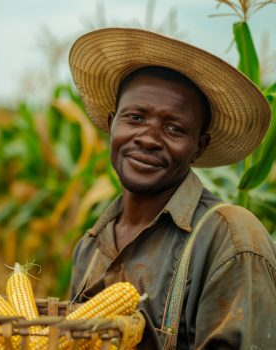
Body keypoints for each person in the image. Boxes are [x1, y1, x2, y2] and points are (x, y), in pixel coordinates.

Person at [68, 28, 276, 349]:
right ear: (112, 124)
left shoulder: (231, 241)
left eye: (174, 128)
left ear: (199, 146)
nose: (149, 139)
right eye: (135, 118)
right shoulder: (91, 245)